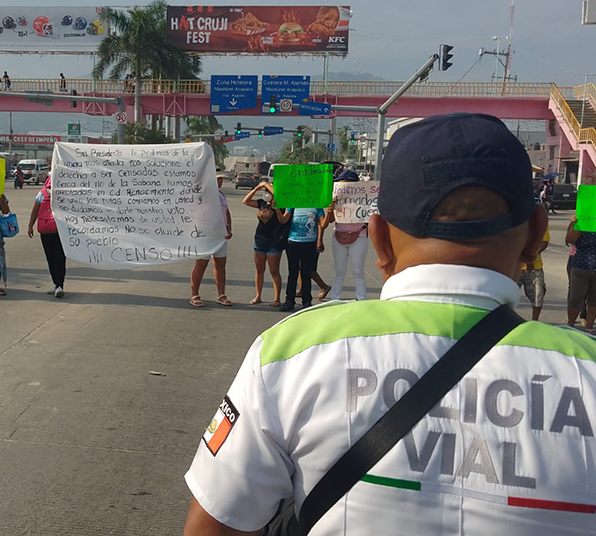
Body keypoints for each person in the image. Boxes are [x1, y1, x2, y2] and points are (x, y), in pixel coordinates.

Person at [182, 113, 596, 536]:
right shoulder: (589, 371)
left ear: (377, 239)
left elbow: (214, 527)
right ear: (535, 236)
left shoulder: (292, 352)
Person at [321, 169, 369, 301]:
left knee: (358, 271)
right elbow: (328, 222)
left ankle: (362, 299)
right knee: (339, 272)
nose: (341, 186)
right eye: (339, 184)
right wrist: (330, 210)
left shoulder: (364, 199)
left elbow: (370, 217)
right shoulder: (334, 198)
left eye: (343, 183)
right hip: (338, 236)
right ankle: (335, 299)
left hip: (359, 236)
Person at [190, 174, 233, 308]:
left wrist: (229, 229)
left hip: (220, 236)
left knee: (220, 264)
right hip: (205, 235)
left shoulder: (221, 196)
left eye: (221, 179)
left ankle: (221, 295)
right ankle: (194, 295)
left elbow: (227, 213)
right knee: (201, 264)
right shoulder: (202, 195)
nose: (220, 182)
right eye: (218, 179)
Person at [243, 181, 287, 307]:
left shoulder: (280, 203)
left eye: (269, 191)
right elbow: (246, 201)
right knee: (259, 270)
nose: (267, 193)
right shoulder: (262, 203)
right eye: (266, 191)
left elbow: (279, 198)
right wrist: (257, 188)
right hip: (260, 239)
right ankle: (258, 296)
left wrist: (267, 185)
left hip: (274, 241)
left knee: (274, 271)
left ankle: (277, 298)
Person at [278, 205, 325, 312]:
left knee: (306, 273)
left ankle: (307, 301)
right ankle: (289, 300)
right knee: (292, 273)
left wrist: (319, 240)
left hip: (309, 243)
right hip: (293, 242)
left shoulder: (316, 205)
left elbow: (322, 224)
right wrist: (276, 209)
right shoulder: (292, 204)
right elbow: (283, 220)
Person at [28, 176, 65, 298]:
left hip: (45, 230)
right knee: (59, 258)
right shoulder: (64, 193)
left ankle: (57, 284)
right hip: (60, 231)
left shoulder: (42, 193)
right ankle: (58, 285)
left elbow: (35, 210)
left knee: (51, 258)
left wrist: (30, 226)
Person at [566, 215, 596, 329]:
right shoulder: (582, 220)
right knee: (575, 298)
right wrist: (574, 223)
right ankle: (571, 325)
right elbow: (569, 240)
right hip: (581, 265)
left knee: (594, 301)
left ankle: (589, 326)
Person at [517, 227, 549, 320]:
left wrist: (530, 256)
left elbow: (544, 242)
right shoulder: (513, 219)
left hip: (535, 267)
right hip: (514, 266)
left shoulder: (538, 220)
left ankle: (534, 321)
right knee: (507, 296)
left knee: (538, 295)